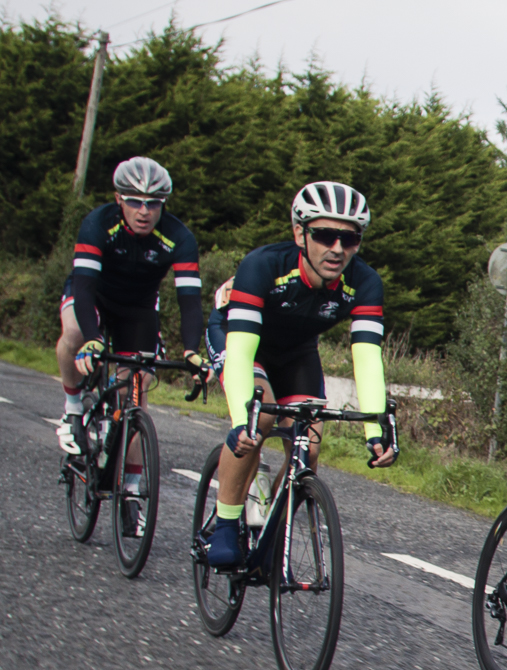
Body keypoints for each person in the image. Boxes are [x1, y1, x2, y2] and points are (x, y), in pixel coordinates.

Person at [203, 181, 398, 567]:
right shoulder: (263, 265)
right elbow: (241, 352)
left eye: (350, 238)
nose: (337, 248)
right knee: (263, 419)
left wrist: (376, 430)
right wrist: (245, 419)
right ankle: (225, 524)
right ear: (299, 233)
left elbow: (367, 358)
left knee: (307, 448)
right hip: (239, 339)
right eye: (325, 235)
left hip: (296, 352)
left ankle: (273, 533)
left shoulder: (363, 282)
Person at [55, 156, 207, 467]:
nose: (144, 211)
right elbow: (83, 288)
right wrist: (92, 337)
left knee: (135, 395)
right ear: (118, 200)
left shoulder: (179, 237)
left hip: (137, 306)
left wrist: (192, 350)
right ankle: (73, 410)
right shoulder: (98, 224)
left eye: (153, 203)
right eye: (135, 201)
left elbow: (189, 300)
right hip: (92, 296)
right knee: (73, 333)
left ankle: (134, 495)